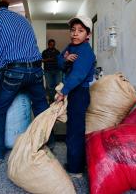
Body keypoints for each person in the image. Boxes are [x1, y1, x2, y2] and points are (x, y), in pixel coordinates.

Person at [0, 0, 49, 163]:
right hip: (36, 70)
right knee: (41, 108)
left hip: (14, 71)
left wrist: (0, 65)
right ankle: (48, 146)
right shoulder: (22, 19)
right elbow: (33, 43)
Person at [56, 16, 96, 177]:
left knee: (75, 130)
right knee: (72, 127)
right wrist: (65, 59)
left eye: (80, 31)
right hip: (72, 90)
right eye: (73, 30)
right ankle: (74, 162)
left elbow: (78, 75)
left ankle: (76, 169)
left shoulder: (86, 52)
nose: (75, 34)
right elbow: (58, 61)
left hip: (79, 93)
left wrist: (63, 92)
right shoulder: (71, 47)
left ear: (88, 35)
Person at [42, 39, 61, 103]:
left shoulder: (57, 52)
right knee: (50, 86)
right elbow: (42, 60)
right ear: (48, 44)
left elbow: (59, 60)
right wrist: (49, 59)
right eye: (50, 44)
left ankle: (57, 99)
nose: (52, 46)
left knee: (58, 85)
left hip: (57, 70)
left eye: (53, 45)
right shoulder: (45, 52)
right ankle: (51, 100)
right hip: (47, 71)